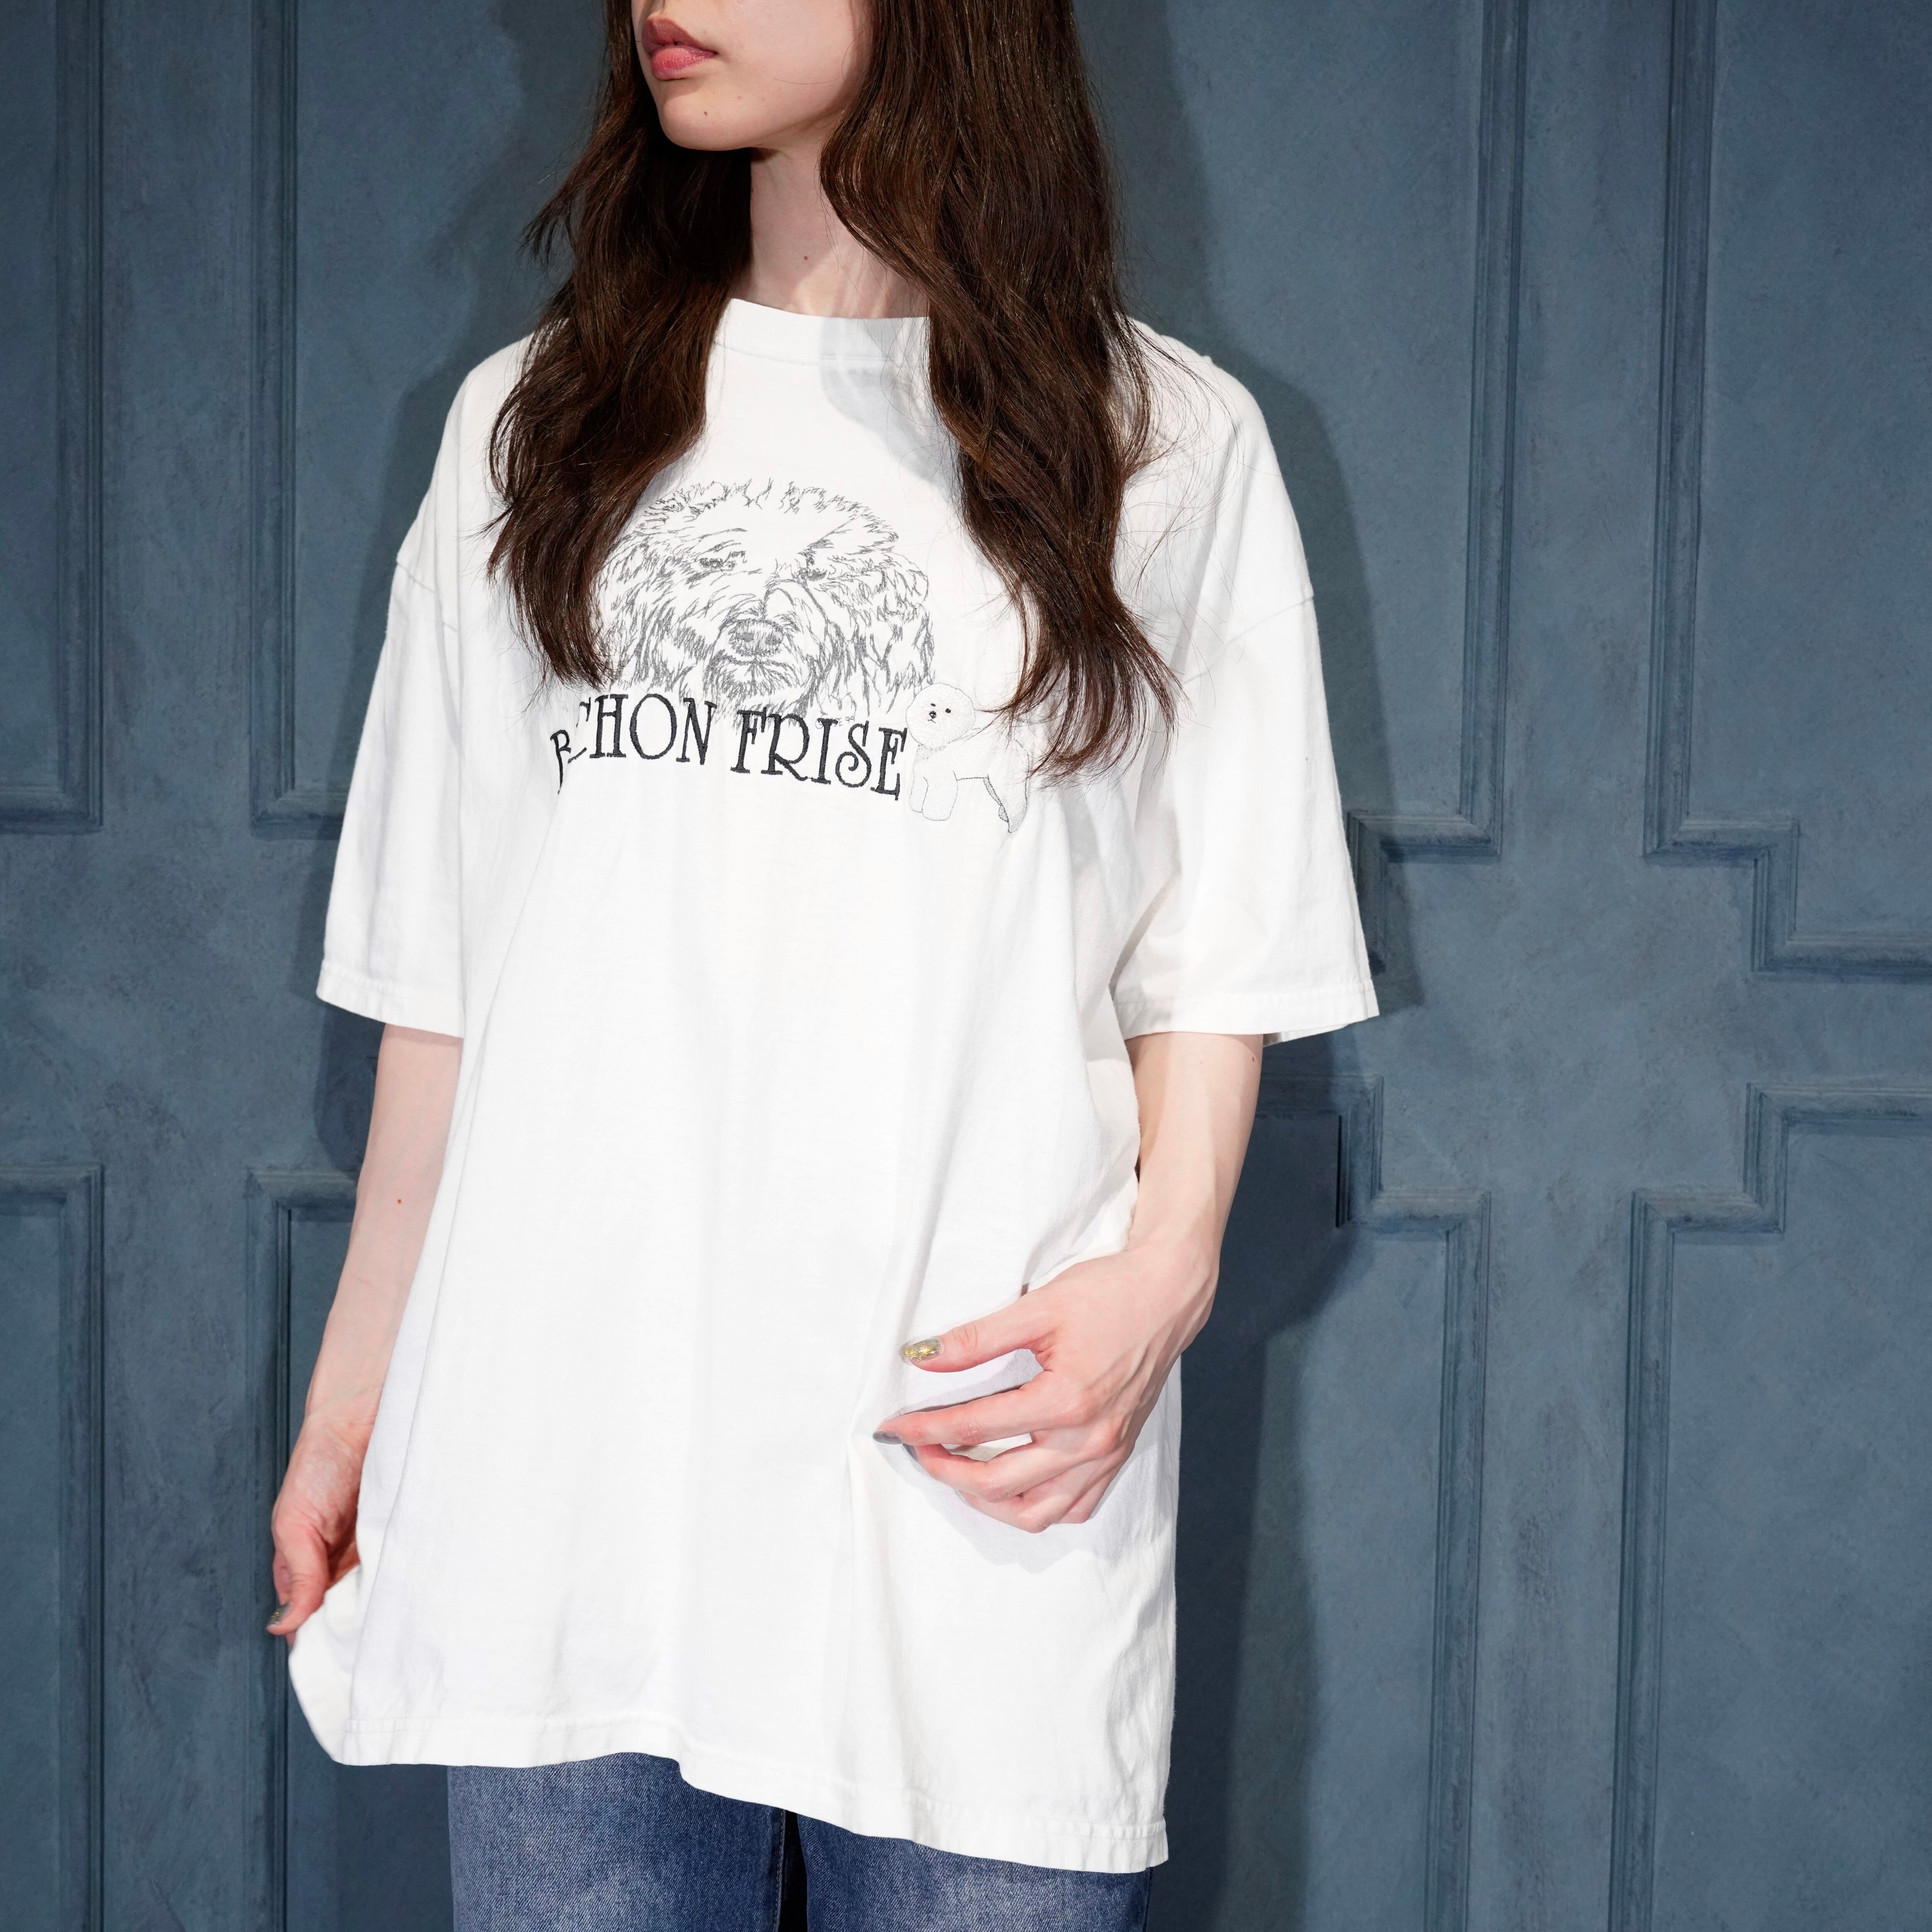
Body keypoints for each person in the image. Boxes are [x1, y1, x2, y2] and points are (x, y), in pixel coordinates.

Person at [266, 0, 1377, 1925]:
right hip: (562, 1454)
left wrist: (1164, 1273)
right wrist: (355, 1396)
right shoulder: (535, 423)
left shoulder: (1161, 440)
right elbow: (444, 970)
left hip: (975, 1461)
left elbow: (1220, 940)